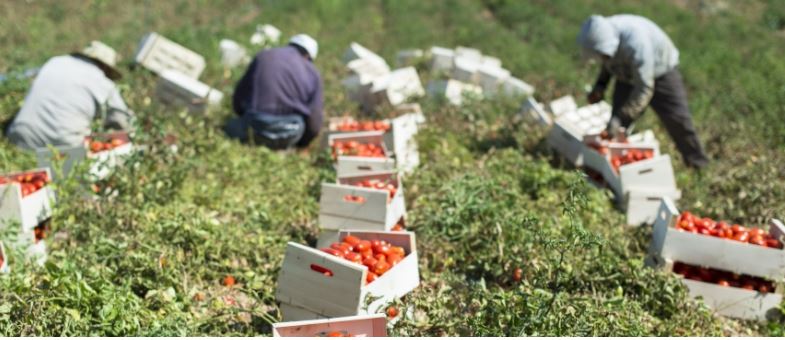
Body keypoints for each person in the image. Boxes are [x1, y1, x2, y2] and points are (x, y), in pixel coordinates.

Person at [577, 14, 709, 169]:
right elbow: (607, 62)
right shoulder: (604, 37)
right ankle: (614, 168)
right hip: (626, 74)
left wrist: (622, 116)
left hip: (660, 72)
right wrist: (600, 85)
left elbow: (645, 87)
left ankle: (698, 164)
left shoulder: (636, 43)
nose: (602, 57)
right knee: (616, 127)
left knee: (678, 120)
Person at [6, 41, 134, 150]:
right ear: (106, 68)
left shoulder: (56, 62)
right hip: (63, 145)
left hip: (20, 136)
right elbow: (122, 120)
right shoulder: (102, 81)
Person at [226, 34, 324, 150]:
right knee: (300, 125)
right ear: (308, 56)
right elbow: (315, 122)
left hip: (254, 127)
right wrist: (302, 144)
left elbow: (238, 97)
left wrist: (245, 116)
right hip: (289, 132)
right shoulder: (312, 72)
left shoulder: (263, 56)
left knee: (230, 125)